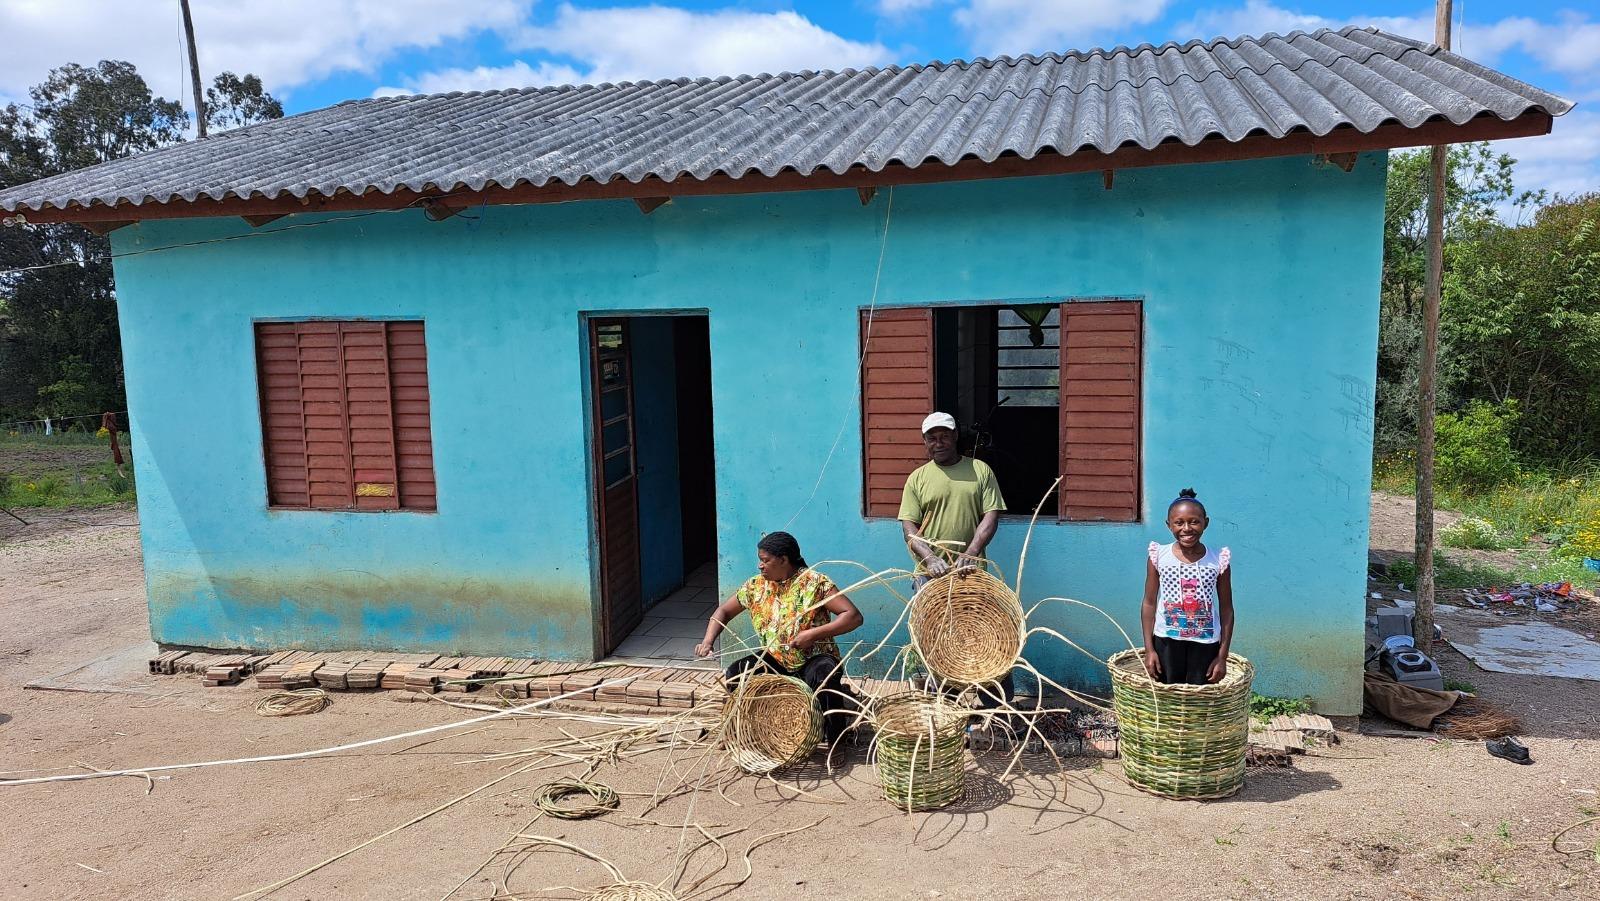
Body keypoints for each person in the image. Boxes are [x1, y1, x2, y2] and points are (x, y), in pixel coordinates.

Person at [696, 531, 864, 744]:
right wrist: (707, 641)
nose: (760, 565)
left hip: (814, 657)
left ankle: (836, 740)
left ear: (784, 559)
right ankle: (755, 731)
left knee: (824, 677)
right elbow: (723, 612)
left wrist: (813, 634)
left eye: (765, 560)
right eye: (760, 560)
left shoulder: (814, 583)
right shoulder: (755, 586)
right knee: (736, 674)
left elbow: (853, 616)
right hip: (775, 658)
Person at [899, 411, 1013, 707]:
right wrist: (929, 558)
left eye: (944, 436)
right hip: (930, 576)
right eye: (932, 438)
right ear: (925, 442)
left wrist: (971, 552)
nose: (939, 443)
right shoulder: (918, 479)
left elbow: (991, 515)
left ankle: (994, 707)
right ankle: (948, 708)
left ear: (955, 436)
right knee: (936, 640)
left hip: (971, 573)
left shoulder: (980, 470)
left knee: (989, 636)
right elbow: (909, 528)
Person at [1142, 488, 1235, 685]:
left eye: (1194, 521)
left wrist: (1222, 656)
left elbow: (1227, 609)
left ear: (1205, 523)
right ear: (1169, 525)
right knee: (1167, 697)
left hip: (1206, 644)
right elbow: (1149, 603)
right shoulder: (1158, 556)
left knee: (1200, 700)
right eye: (1179, 522)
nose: (1186, 528)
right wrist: (1149, 650)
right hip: (1166, 641)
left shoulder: (1218, 560)